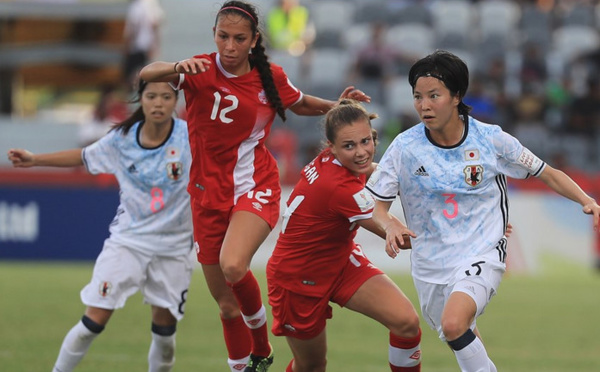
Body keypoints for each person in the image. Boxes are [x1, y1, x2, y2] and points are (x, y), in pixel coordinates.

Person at [138, 2, 370, 371]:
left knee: (233, 265)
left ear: (254, 41)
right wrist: (177, 66)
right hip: (205, 195)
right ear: (214, 35)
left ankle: (261, 346)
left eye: (239, 39)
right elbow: (148, 74)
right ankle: (243, 366)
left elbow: (300, 103)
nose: (229, 47)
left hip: (254, 186)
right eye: (222, 37)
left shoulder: (269, 76)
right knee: (226, 304)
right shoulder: (198, 69)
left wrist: (338, 106)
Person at [366, 50, 600, 372]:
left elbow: (546, 172)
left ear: (456, 96)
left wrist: (585, 199)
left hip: (482, 251)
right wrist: (389, 224)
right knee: (461, 335)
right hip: (430, 265)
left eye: (434, 95)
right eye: (418, 96)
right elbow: (376, 206)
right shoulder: (405, 147)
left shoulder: (491, 140)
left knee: (453, 324)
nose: (424, 105)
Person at [7, 81, 193, 372]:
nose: (158, 103)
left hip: (174, 247)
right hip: (128, 243)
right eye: (152, 96)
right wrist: (35, 160)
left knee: (166, 337)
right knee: (92, 322)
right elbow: (84, 157)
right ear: (140, 100)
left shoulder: (190, 137)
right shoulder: (122, 139)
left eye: (166, 97)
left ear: (176, 102)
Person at [267, 100, 422, 372]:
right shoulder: (339, 187)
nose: (361, 152)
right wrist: (467, 231)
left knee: (406, 322)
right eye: (350, 146)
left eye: (366, 141)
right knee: (312, 366)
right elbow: (397, 233)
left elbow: (373, 169)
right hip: (298, 278)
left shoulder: (341, 164)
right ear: (332, 147)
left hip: (339, 261)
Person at [122, 0, 165, 90]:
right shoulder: (152, 4)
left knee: (131, 75)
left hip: (137, 46)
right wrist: (155, 45)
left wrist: (128, 45)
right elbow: (156, 25)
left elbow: (133, 28)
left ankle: (134, 94)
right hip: (146, 46)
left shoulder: (136, 7)